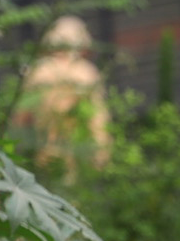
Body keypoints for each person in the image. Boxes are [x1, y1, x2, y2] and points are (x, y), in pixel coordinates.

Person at [14, 15, 112, 177]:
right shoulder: (85, 73)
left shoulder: (37, 73)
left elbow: (20, 119)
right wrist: (102, 151)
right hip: (79, 151)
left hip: (43, 150)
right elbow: (98, 119)